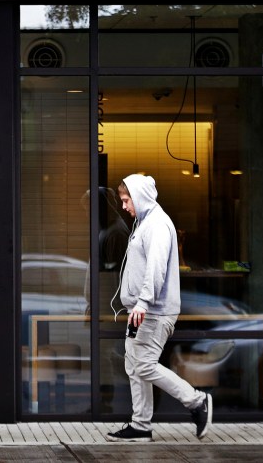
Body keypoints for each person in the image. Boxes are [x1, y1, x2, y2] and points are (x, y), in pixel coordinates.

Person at [106, 173, 212, 443]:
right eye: (122, 200)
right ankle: (141, 425)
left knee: (143, 364)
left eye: (127, 200)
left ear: (139, 196)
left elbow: (156, 267)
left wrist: (142, 302)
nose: (125, 206)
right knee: (134, 365)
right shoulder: (144, 223)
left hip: (153, 311)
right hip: (141, 311)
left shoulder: (157, 224)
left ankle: (197, 401)